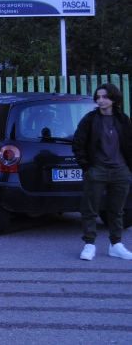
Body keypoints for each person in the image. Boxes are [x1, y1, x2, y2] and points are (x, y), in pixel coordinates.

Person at [72, 83, 132, 261]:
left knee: (117, 210)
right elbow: (78, 144)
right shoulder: (90, 119)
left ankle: (116, 245)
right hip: (97, 170)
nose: (101, 100)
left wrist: (129, 168)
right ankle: (89, 245)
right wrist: (87, 167)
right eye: (98, 97)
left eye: (104, 96)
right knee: (89, 209)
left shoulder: (123, 120)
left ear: (113, 98)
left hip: (120, 171)